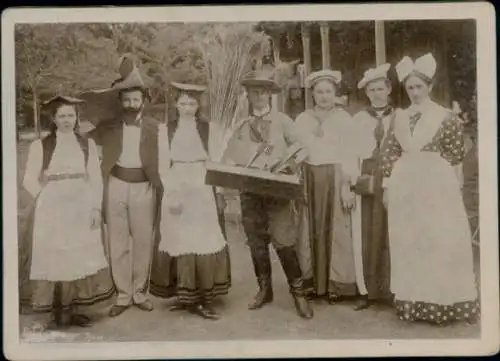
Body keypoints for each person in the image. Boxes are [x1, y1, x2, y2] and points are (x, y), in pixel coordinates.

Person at [380, 53, 479, 325]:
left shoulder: (445, 117)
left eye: (419, 87)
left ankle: (444, 303)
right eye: (410, 88)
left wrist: (437, 176)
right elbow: (388, 154)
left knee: (438, 238)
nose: (414, 92)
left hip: (437, 185)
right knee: (410, 240)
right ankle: (414, 302)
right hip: (405, 185)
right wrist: (388, 186)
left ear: (430, 87)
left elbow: (455, 153)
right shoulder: (399, 117)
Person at [224, 69, 313, 319]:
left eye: (263, 91)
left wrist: (288, 166)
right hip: (250, 191)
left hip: (277, 192)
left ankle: (299, 293)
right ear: (249, 95)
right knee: (256, 243)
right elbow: (230, 155)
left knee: (284, 242)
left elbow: (302, 147)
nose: (259, 95)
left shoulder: (283, 121)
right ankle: (265, 290)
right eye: (254, 91)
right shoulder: (240, 125)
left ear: (270, 95)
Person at [20, 95, 114, 330]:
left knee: (78, 253)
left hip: (81, 204)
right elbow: (29, 178)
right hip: (52, 206)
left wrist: (95, 208)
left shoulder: (86, 145)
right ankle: (53, 312)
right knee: (55, 254)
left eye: (70, 115)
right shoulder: (41, 145)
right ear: (53, 118)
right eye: (61, 116)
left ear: (76, 117)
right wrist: (44, 197)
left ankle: (73, 309)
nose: (66, 120)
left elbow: (95, 178)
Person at [87, 58, 167, 317]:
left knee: (144, 241)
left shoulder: (157, 128)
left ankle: (140, 292)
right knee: (118, 241)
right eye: (126, 100)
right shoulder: (107, 126)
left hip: (144, 187)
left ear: (143, 99)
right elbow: (84, 144)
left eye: (136, 100)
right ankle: (123, 294)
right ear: (120, 101)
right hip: (116, 185)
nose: (131, 105)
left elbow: (167, 159)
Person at [149, 82, 231, 320]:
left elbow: (215, 162)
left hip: (202, 185)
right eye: (183, 103)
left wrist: (219, 193)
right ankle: (185, 295)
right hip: (177, 185)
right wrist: (172, 193)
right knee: (179, 239)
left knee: (201, 239)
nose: (187, 108)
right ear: (176, 104)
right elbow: (164, 165)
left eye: (192, 103)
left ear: (199, 105)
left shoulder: (208, 129)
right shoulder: (166, 130)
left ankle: (203, 297)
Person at [294, 69, 358, 304]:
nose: (323, 96)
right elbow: (297, 152)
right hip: (310, 176)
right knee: (308, 227)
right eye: (319, 91)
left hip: (335, 176)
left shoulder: (343, 119)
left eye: (328, 91)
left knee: (337, 228)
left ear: (335, 93)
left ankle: (336, 284)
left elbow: (350, 153)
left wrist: (347, 186)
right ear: (312, 94)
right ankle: (311, 281)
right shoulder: (303, 119)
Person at [350, 64, 395, 310]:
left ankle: (392, 289)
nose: (377, 94)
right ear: (366, 93)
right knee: (366, 233)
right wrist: (352, 181)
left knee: (391, 232)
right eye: (372, 89)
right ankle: (367, 291)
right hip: (367, 179)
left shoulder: (400, 116)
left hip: (392, 179)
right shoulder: (358, 119)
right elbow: (350, 154)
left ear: (389, 89)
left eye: (381, 88)